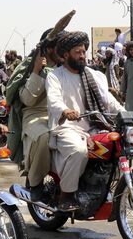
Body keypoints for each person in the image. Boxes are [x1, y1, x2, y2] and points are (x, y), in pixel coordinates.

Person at [46, 31, 126, 210]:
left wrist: (126, 113)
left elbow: (108, 101)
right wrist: (65, 110)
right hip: (67, 127)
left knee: (119, 143)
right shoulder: (55, 76)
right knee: (78, 150)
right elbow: (54, 100)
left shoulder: (93, 75)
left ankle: (103, 188)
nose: (82, 55)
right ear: (65, 55)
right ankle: (66, 195)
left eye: (83, 51)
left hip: (94, 125)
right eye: (77, 52)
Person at [6, 28, 60, 201]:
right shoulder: (31, 66)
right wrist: (37, 71)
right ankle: (35, 184)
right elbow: (27, 99)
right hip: (36, 115)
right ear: (50, 49)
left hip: (64, 115)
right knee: (45, 136)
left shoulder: (67, 66)